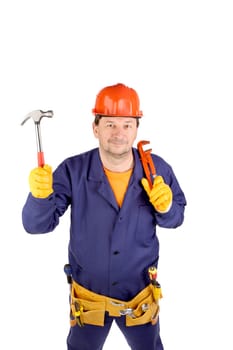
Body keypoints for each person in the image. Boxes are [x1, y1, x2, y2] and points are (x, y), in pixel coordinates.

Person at [22, 83, 187, 350]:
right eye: (110, 124)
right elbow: (36, 226)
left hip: (139, 298)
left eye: (126, 124)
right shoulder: (72, 171)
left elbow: (176, 218)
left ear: (136, 129)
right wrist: (39, 197)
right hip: (89, 300)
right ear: (95, 128)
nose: (118, 133)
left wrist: (166, 207)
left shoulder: (156, 169)